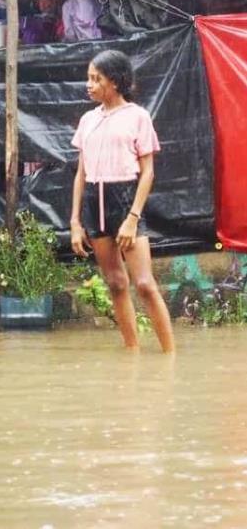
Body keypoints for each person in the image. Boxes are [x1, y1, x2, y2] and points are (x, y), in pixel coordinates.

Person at [70, 50, 175, 353]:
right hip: (94, 200)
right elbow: (81, 173)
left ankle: (170, 355)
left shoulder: (137, 116)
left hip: (125, 198)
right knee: (116, 283)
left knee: (143, 283)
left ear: (114, 82)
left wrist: (132, 217)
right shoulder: (87, 119)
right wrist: (76, 222)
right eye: (89, 78)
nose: (89, 84)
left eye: (95, 78)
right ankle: (132, 352)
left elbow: (148, 172)